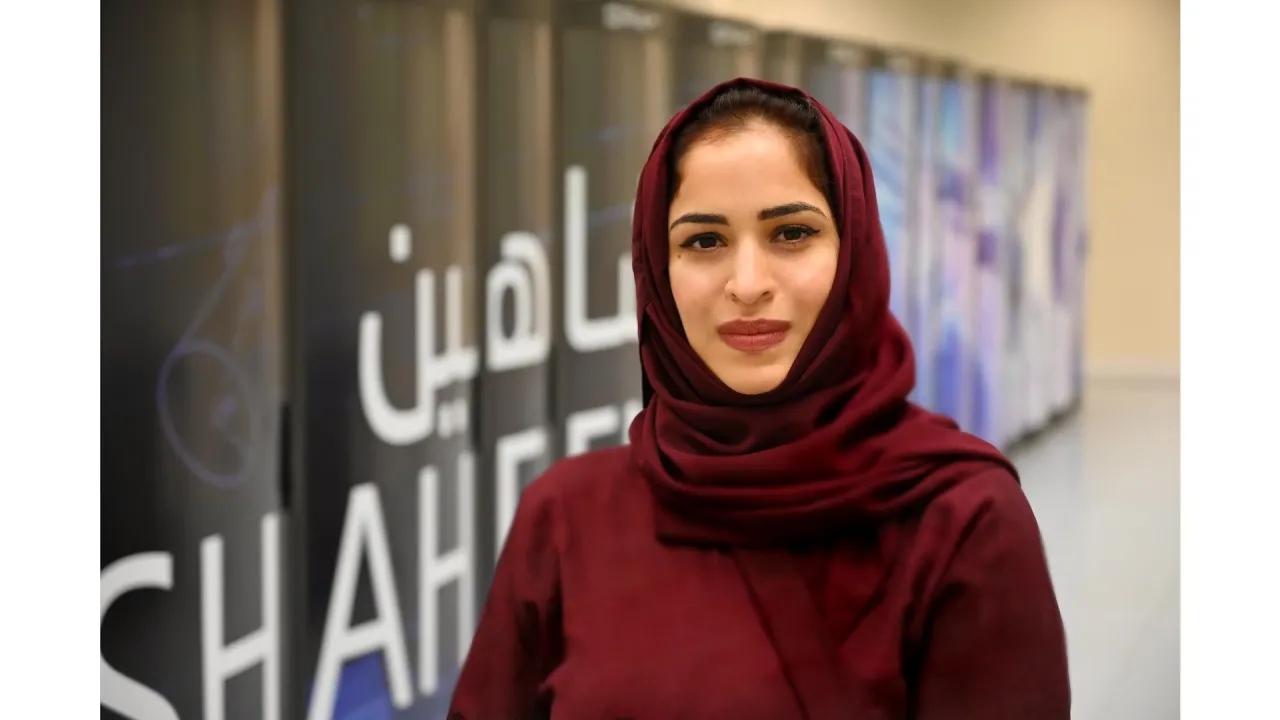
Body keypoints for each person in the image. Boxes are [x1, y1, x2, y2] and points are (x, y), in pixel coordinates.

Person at [448, 77, 1070, 719]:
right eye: (704, 241)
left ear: (854, 251)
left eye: (792, 233)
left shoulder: (963, 519)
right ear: (658, 268)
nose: (747, 285)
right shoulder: (563, 517)